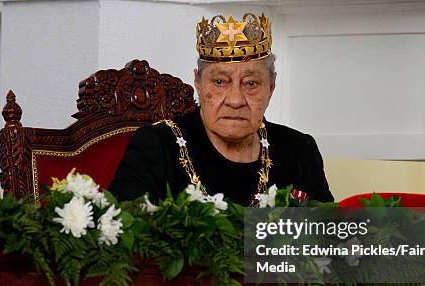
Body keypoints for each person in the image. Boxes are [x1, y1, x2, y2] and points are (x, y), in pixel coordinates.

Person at [108, 13, 334, 206]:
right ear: (198, 83)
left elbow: (330, 240)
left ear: (271, 89)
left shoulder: (299, 150)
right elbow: (124, 237)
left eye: (251, 84)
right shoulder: (156, 145)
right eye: (220, 82)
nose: (235, 100)